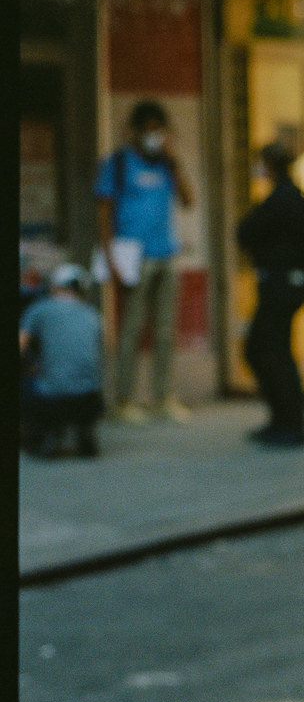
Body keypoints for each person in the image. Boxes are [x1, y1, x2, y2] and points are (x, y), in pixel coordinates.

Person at [94, 98, 194, 422]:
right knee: (132, 331)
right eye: (148, 130)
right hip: (133, 258)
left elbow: (188, 201)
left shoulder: (166, 164)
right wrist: (111, 261)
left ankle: (163, 398)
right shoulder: (118, 163)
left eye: (159, 130)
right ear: (135, 132)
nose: (154, 136)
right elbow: (104, 213)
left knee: (165, 331)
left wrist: (175, 161)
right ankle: (123, 401)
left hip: (165, 254)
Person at [236, 142, 304, 448]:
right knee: (269, 350)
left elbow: (247, 233)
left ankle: (290, 422)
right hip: (286, 286)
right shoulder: (289, 198)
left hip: (280, 287)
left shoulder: (281, 201)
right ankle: (283, 419)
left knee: (270, 352)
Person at [20, 263, 105, 458]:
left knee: (25, 382)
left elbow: (20, 346)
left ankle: (43, 434)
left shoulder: (39, 309)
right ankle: (84, 431)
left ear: (54, 286)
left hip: (51, 400)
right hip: (90, 400)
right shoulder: (93, 314)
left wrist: (32, 365)